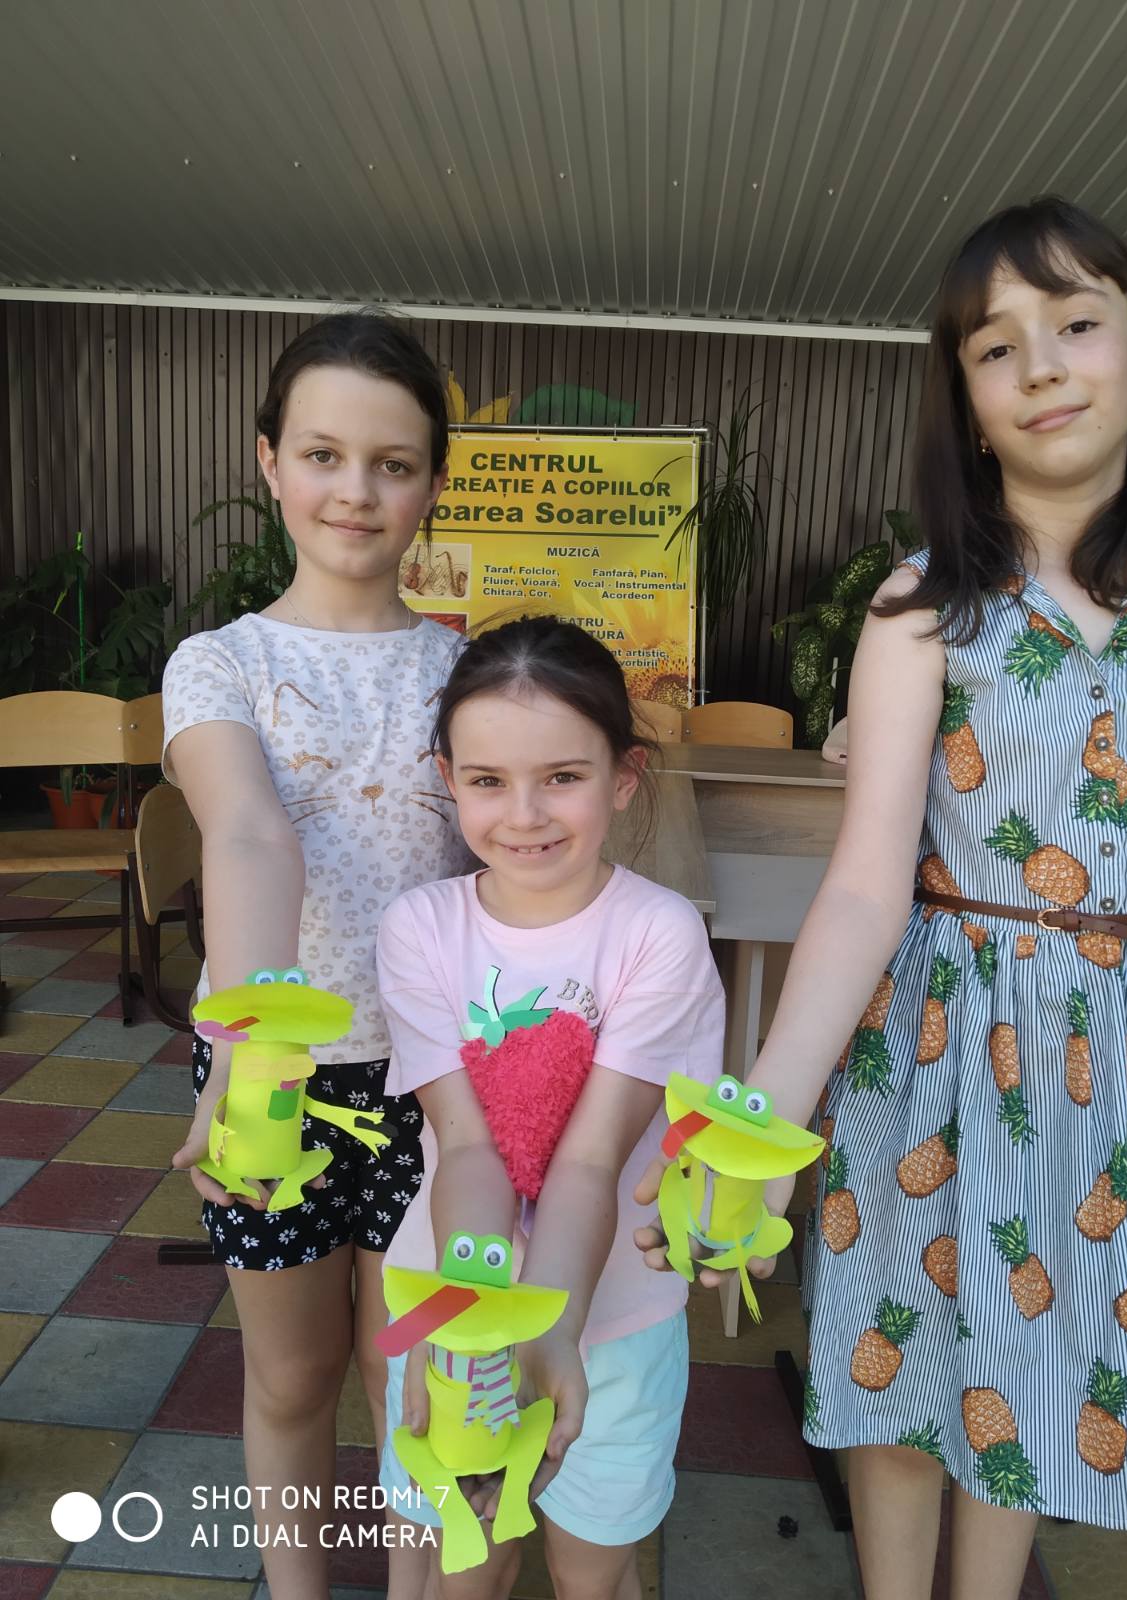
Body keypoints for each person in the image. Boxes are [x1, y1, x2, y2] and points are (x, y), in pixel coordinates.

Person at [638, 197, 1127, 1598]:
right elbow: (861, 889)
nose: (1042, 366)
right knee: (901, 1348)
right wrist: (759, 1124)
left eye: (1077, 326)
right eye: (997, 347)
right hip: (940, 1038)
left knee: (1036, 1363)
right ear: (967, 401)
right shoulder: (920, 610)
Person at [163, 312, 471, 1600]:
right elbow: (247, 832)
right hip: (271, 1079)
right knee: (291, 1377)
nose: (356, 491)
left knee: (417, 1384)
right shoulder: (219, 663)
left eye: (393, 464)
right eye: (325, 455)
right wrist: (252, 1057)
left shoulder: (467, 672)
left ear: (432, 484)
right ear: (270, 462)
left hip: (435, 1086)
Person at [375, 616, 725, 1600]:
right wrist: (476, 1322)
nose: (524, 815)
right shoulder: (419, 929)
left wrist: (552, 1328)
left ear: (623, 776)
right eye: (488, 780)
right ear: (448, 778)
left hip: (614, 1322)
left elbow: (589, 1158)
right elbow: (467, 1148)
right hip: (457, 1310)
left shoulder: (658, 933)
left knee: (591, 1572)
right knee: (467, 1565)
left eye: (563, 776)